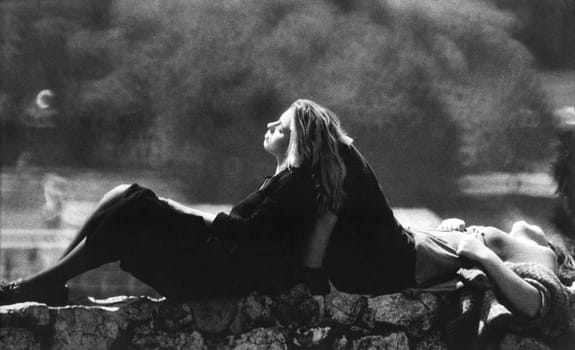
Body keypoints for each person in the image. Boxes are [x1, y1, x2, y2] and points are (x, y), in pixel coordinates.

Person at [0, 99, 347, 305]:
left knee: (137, 206)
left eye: (282, 127)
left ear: (298, 141)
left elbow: (248, 234)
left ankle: (40, 285)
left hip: (215, 276)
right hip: (217, 265)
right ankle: (49, 282)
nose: (271, 124)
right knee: (123, 194)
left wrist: (179, 209)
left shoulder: (295, 187)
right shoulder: (286, 183)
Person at [296, 100, 572, 324]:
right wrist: (458, 230)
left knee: (342, 158)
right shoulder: (533, 241)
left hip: (423, 255)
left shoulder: (548, 270)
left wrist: (483, 255)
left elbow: (536, 304)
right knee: (340, 187)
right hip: (430, 244)